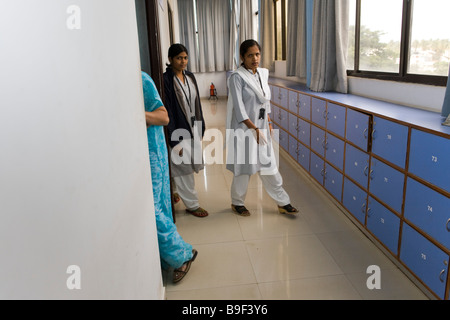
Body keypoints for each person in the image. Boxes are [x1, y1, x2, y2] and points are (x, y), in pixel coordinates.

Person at [226, 39, 299, 217]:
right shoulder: (237, 77)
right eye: (250, 55)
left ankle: (283, 202)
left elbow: (264, 101)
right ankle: (237, 202)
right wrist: (254, 129)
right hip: (245, 128)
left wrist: (268, 121)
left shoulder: (262, 74)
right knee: (244, 168)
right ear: (242, 57)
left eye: (257, 54)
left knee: (268, 165)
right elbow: (239, 108)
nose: (255, 58)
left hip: (261, 127)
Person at [142, 71, 197, 283]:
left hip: (152, 152)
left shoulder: (142, 80)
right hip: (134, 153)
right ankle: (167, 256)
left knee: (152, 209)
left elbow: (164, 116)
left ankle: (182, 255)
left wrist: (139, 114)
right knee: (158, 206)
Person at [163, 44, 209, 218]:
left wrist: (202, 123)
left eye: (185, 58)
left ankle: (173, 190)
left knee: (187, 162)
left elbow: (196, 103)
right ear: (170, 60)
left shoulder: (190, 76)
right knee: (184, 168)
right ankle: (192, 204)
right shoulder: (166, 79)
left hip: (193, 127)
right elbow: (168, 109)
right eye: (179, 58)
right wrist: (173, 139)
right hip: (178, 129)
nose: (183, 61)